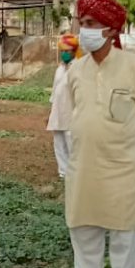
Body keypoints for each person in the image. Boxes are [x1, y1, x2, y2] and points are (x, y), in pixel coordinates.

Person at [66, 0, 135, 268]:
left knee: (124, 241)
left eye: (91, 23)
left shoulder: (133, 67)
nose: (84, 29)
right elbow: (76, 115)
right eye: (82, 22)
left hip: (122, 169)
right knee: (84, 236)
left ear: (112, 30)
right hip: (83, 168)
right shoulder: (75, 70)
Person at [46, 34, 78, 178]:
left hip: (72, 112)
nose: (65, 53)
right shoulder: (60, 68)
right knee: (58, 142)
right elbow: (54, 91)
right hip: (58, 111)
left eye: (68, 51)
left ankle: (75, 172)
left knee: (71, 142)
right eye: (62, 51)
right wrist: (50, 111)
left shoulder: (78, 68)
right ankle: (63, 172)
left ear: (74, 51)